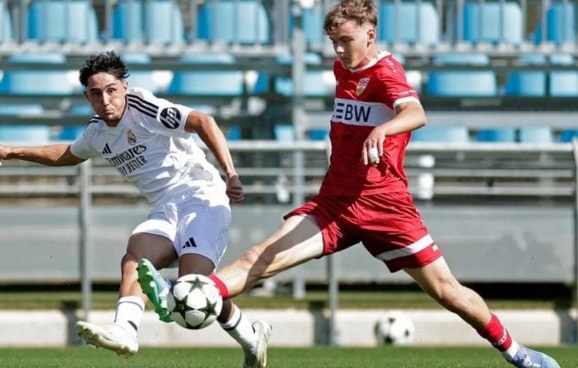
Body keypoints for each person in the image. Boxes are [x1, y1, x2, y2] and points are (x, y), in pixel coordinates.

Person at [139, 1, 561, 368]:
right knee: (259, 257)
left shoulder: (385, 71)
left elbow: (416, 113)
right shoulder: (344, 68)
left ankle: (516, 352)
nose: (339, 50)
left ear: (370, 34)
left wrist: (384, 130)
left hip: (386, 208)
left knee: (448, 292)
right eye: (334, 42)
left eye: (346, 40)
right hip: (335, 204)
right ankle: (183, 291)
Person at [0, 51, 271, 368]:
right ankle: (126, 331)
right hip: (165, 207)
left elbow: (204, 122)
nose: (105, 99)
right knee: (136, 256)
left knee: (195, 288)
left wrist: (230, 173)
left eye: (111, 90)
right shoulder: (97, 132)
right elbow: (67, 153)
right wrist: (14, 151)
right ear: (87, 97)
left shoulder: (144, 108)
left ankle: (245, 333)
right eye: (96, 93)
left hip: (202, 198)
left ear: (124, 88)